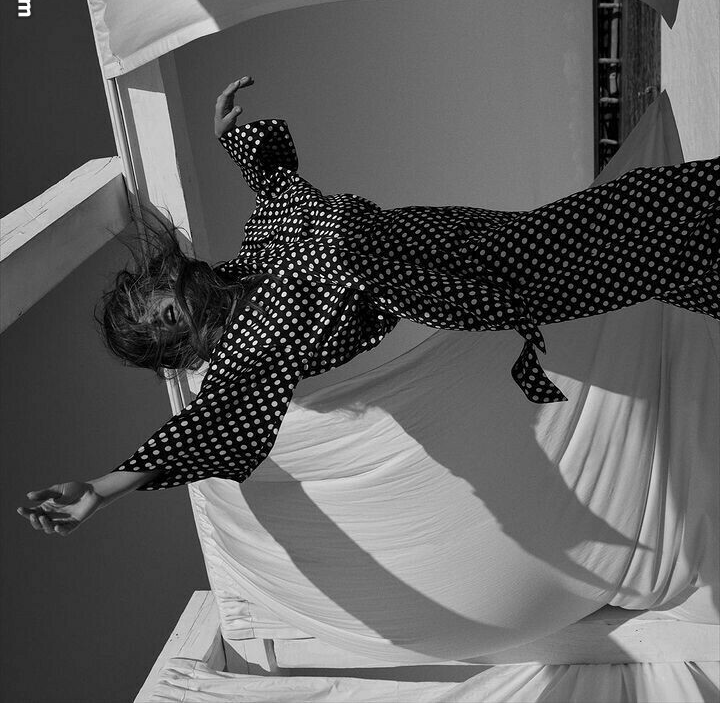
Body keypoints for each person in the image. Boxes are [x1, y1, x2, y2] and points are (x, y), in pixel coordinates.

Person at [18, 76, 719, 536]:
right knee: (628, 227)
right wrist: (105, 487)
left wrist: (230, 137)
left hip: (447, 232)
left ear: (165, 278)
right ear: (177, 348)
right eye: (157, 329)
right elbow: (208, 425)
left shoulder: (259, 247)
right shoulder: (248, 351)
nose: (163, 313)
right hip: (457, 280)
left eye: (151, 302)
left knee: (638, 249)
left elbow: (276, 179)